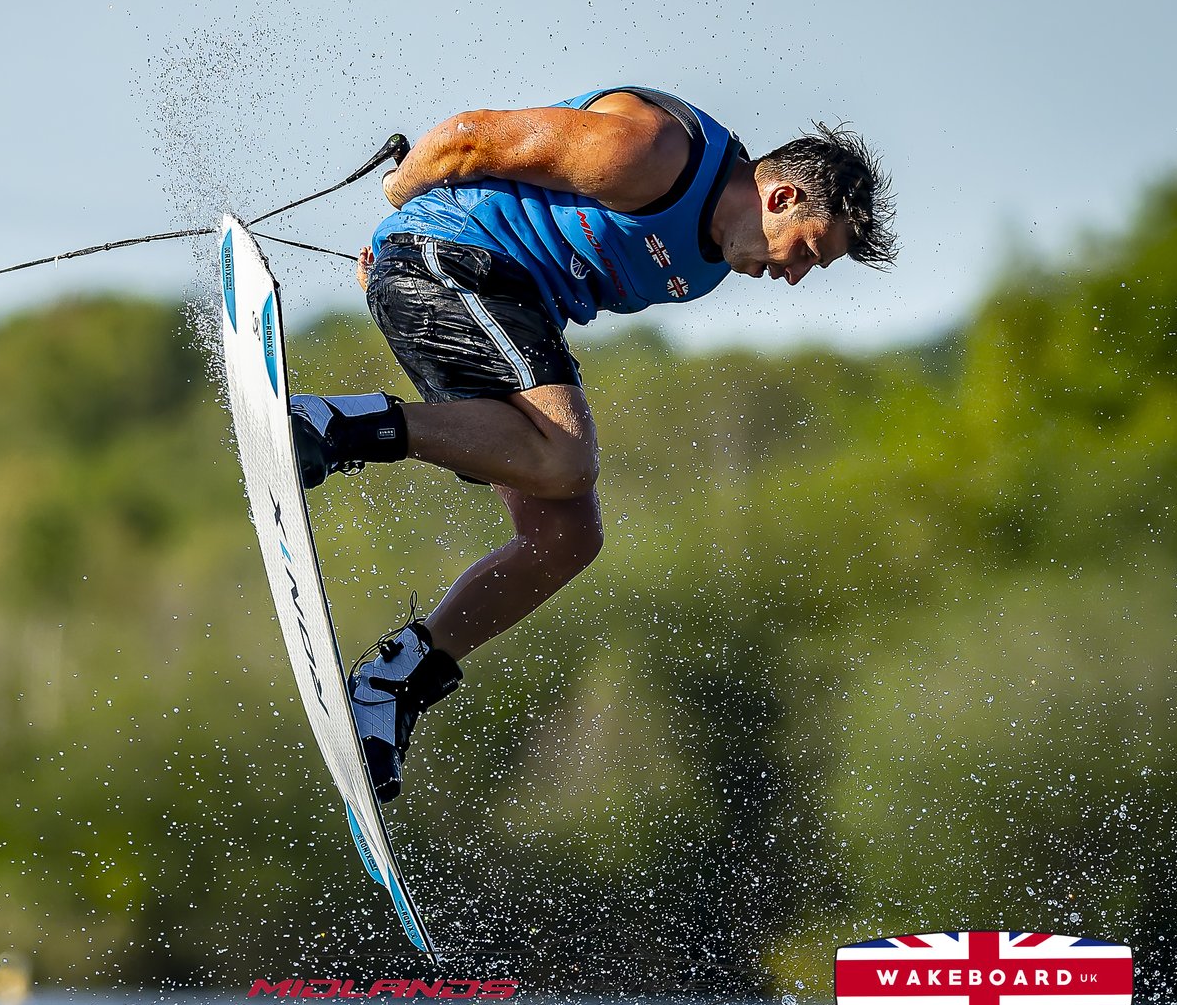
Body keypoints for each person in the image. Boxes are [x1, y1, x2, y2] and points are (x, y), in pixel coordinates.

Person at [290, 86, 896, 802]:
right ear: (781, 195)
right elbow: (471, 138)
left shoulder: (713, 257)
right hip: (449, 264)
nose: (793, 276)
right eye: (807, 252)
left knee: (567, 537)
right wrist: (402, 200)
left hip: (497, 303)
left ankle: (394, 682)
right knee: (567, 454)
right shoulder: (652, 154)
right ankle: (330, 424)